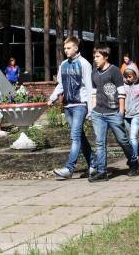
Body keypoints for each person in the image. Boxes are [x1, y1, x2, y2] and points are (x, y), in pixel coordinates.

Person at [88, 45, 139, 182]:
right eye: (94, 56)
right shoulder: (94, 72)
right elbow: (94, 93)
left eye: (98, 56)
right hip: (98, 113)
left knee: (122, 140)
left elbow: (121, 93)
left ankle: (133, 161)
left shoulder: (115, 71)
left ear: (106, 57)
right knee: (100, 142)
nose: (95, 59)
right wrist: (92, 111)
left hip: (114, 113)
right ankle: (102, 171)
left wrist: (120, 113)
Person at [48, 36, 94, 179]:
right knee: (80, 136)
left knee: (75, 137)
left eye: (68, 48)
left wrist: (90, 109)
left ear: (76, 48)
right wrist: (52, 97)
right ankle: (94, 164)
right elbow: (61, 84)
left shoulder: (84, 64)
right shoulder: (63, 65)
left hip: (80, 105)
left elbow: (89, 86)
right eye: (65, 48)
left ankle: (69, 169)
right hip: (68, 105)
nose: (65, 50)